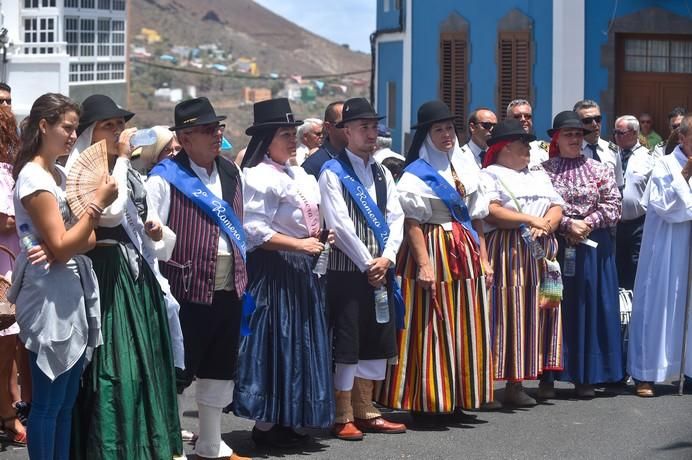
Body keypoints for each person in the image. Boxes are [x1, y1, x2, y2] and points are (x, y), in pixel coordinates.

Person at [66, 94, 184, 460]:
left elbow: (163, 244)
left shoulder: (128, 172)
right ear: (90, 132)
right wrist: (118, 159)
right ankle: (111, 447)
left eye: (120, 126)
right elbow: (112, 214)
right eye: (108, 126)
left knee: (145, 363)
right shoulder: (81, 170)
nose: (118, 133)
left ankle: (146, 445)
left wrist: (156, 232)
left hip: (137, 277)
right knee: (114, 368)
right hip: (104, 276)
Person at [9, 93, 117, 460]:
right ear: (44, 126)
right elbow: (67, 240)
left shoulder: (57, 174)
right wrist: (94, 206)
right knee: (48, 403)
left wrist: (62, 246)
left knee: (65, 403)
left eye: (75, 129)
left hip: (67, 286)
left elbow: (86, 240)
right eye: (67, 128)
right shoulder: (34, 178)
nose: (73, 136)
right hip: (48, 294)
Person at [378, 100, 495, 421]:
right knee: (431, 324)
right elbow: (411, 222)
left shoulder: (467, 167)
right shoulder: (416, 174)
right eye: (438, 129)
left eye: (449, 128)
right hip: (431, 248)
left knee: (464, 323)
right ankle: (428, 400)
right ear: (427, 135)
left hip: (465, 248)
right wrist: (425, 264)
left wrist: (484, 258)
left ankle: (457, 397)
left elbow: (478, 218)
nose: (446, 135)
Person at [148, 97, 250, 460]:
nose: (216, 134)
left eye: (217, 127)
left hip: (228, 286)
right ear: (185, 138)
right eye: (207, 130)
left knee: (221, 368)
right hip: (185, 289)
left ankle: (211, 442)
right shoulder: (163, 178)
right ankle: (171, 444)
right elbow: (151, 241)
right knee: (177, 370)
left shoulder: (231, 172)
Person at [232, 98, 334, 448]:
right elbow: (254, 231)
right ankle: (267, 423)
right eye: (284, 134)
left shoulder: (299, 173)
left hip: (302, 268)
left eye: (293, 133)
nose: (292, 140)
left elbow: (305, 220)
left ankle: (293, 417)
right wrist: (298, 245)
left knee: (303, 340)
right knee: (278, 340)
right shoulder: (258, 176)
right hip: (275, 271)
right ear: (267, 139)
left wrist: (318, 237)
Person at [319, 97, 406, 441]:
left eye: (374, 127)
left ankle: (366, 408)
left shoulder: (383, 172)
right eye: (364, 128)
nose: (372, 134)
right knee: (348, 342)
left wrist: (387, 258)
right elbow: (339, 225)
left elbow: (396, 218)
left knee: (375, 336)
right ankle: (342, 413)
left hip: (379, 269)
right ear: (347, 131)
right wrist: (368, 262)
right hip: (346, 272)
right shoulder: (332, 172)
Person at [480, 119, 565, 404]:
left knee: (531, 313)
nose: (528, 148)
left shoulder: (538, 174)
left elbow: (556, 206)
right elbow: (490, 212)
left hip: (538, 251)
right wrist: (530, 220)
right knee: (503, 313)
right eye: (522, 144)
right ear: (504, 148)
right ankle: (487, 386)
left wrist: (547, 226)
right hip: (508, 251)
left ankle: (517, 383)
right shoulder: (490, 175)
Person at [541, 111, 623, 398]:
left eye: (579, 134)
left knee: (590, 306)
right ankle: (548, 377)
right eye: (569, 134)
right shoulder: (544, 171)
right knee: (553, 306)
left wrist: (587, 223)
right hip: (558, 246)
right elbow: (541, 206)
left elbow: (614, 205)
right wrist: (566, 224)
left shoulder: (600, 169)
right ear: (557, 138)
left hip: (593, 247)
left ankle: (587, 376)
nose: (575, 139)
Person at [628, 113, 692, 397]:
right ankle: (647, 374)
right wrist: (685, 176)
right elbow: (664, 206)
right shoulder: (666, 164)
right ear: (683, 138)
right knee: (659, 306)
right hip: (667, 247)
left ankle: (689, 371)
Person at [0, 96, 25, 446]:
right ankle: (7, 413)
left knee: (9, 345)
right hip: (4, 261)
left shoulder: (9, 171)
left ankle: (7, 407)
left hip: (12, 259)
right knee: (5, 344)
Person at [613, 115, 657, 290]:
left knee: (635, 265)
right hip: (614, 224)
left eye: (620, 132)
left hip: (639, 223)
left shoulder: (649, 157)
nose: (615, 136)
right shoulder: (611, 153)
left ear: (633, 133)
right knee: (616, 266)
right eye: (614, 132)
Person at [573, 99, 624, 188]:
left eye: (597, 119)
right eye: (587, 121)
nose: (594, 124)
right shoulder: (571, 149)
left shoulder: (612, 150)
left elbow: (619, 185)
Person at [302, 101, 348, 178]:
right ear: (328, 127)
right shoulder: (312, 166)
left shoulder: (360, 159)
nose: (350, 128)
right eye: (344, 124)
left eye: (353, 123)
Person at [506, 99, 548, 166]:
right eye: (517, 116)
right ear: (507, 120)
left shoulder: (542, 148)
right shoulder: (502, 149)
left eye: (527, 116)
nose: (523, 119)